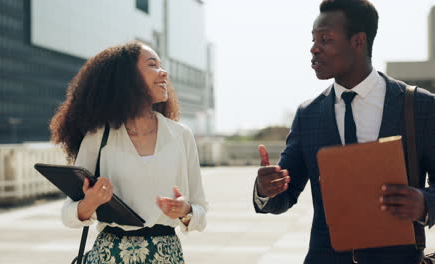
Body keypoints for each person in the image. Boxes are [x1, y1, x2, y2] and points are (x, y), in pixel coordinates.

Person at [253, 0, 435, 263]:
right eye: (314, 39)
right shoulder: (308, 114)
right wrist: (266, 189)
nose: (314, 49)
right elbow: (286, 193)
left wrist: (425, 203)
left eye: (325, 39)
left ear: (358, 41)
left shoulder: (420, 106)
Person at [50, 40, 208, 264]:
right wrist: (90, 203)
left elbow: (201, 213)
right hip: (110, 256)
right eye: (153, 65)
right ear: (127, 78)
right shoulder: (98, 137)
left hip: (167, 256)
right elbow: (68, 215)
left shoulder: (181, 135)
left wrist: (185, 211)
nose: (164, 73)